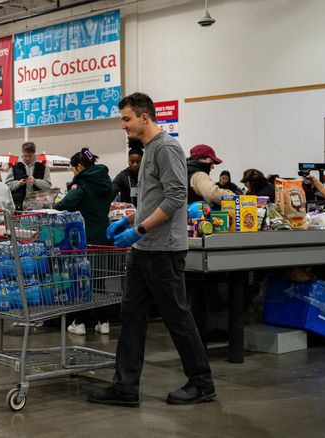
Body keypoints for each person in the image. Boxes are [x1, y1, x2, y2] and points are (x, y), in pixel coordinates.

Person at [90, 92, 216, 407]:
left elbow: (176, 198)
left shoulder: (167, 147)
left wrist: (139, 230)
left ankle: (202, 383)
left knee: (176, 317)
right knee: (131, 315)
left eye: (127, 119)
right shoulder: (147, 151)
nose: (123, 125)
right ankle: (125, 387)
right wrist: (128, 220)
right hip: (144, 250)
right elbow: (153, 202)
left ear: (144, 117)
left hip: (164, 250)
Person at [54, 148, 115, 335]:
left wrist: (54, 206)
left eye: (73, 169)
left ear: (79, 167)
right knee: (99, 279)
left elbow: (65, 204)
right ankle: (103, 321)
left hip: (84, 237)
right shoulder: (105, 181)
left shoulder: (81, 184)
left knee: (82, 279)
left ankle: (79, 322)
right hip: (103, 236)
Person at [5, 142, 52, 210]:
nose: (27, 158)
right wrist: (18, 183)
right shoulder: (14, 168)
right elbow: (7, 186)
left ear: (34, 154)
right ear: (22, 154)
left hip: (38, 206)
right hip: (18, 206)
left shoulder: (43, 168)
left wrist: (36, 181)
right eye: (25, 156)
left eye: (30, 156)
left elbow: (48, 185)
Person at [186, 144, 235, 209]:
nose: (213, 167)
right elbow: (212, 194)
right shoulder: (199, 174)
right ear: (201, 159)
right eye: (211, 163)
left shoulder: (186, 170)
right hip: (198, 217)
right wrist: (234, 197)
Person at [112, 140, 143, 207]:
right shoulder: (122, 176)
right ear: (128, 161)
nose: (135, 165)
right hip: (128, 212)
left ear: (143, 161)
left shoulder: (148, 174)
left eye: (138, 162)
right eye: (132, 162)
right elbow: (112, 192)